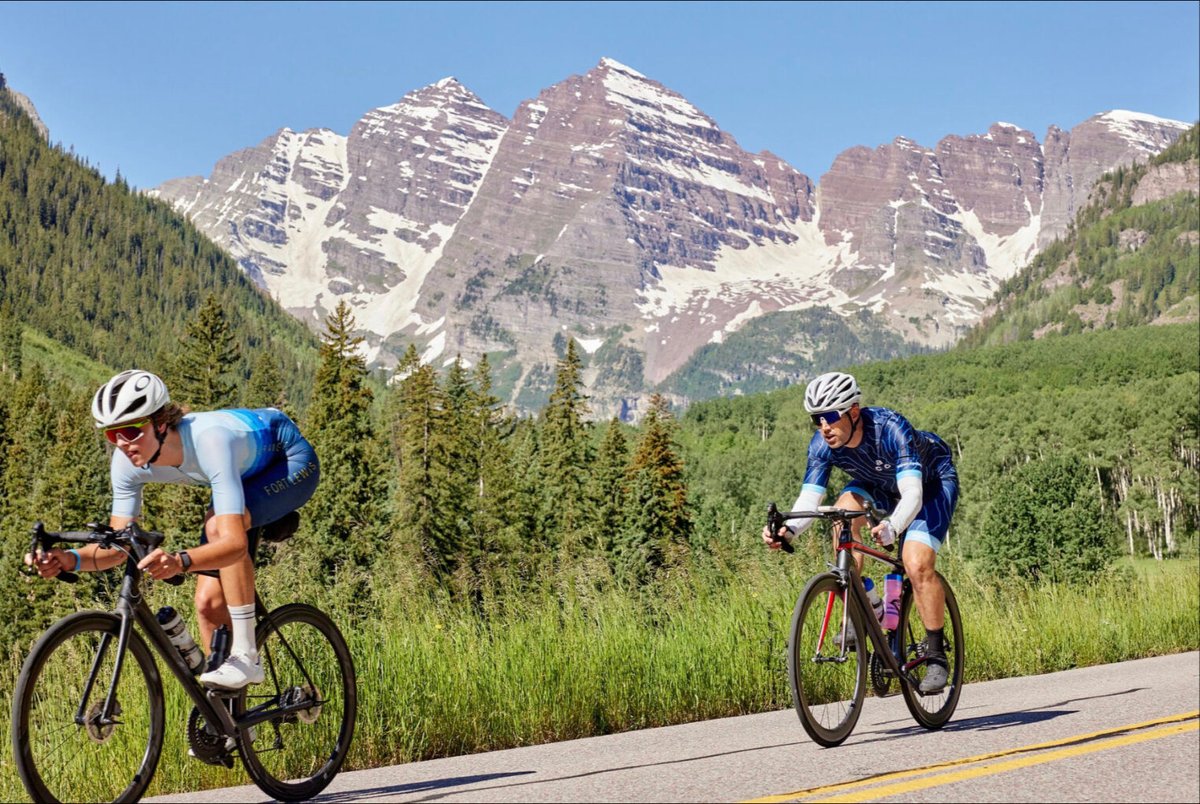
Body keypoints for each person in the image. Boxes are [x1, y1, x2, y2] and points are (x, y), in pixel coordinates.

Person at [26, 369, 320, 690]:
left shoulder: (211, 442)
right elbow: (117, 547)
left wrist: (180, 561)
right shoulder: (126, 464)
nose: (122, 443)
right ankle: (227, 716)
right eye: (113, 435)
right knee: (208, 605)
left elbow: (234, 544)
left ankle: (247, 656)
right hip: (240, 475)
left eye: (131, 431)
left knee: (218, 525)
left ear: (161, 423)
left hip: (289, 461)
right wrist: (68, 559)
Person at [762, 371, 959, 693]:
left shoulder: (891, 428)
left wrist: (894, 526)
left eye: (830, 416)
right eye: (816, 419)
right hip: (877, 484)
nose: (823, 427)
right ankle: (864, 603)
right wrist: (788, 531)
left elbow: (912, 494)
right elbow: (810, 498)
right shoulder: (822, 445)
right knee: (841, 514)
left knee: (916, 563)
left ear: (853, 411)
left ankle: (936, 654)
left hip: (930, 484)